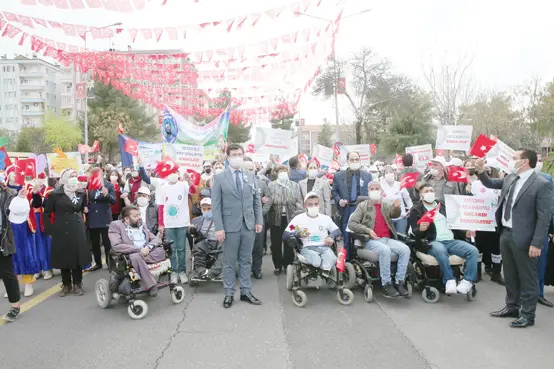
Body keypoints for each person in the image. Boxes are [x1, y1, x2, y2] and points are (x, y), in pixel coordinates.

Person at [476, 149, 553, 327]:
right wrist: (480, 171)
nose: (511, 161)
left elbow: (544, 217)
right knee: (510, 275)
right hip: (506, 234)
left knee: (528, 278)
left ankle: (528, 314)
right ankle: (512, 306)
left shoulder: (541, 184)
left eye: (514, 158)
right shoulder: (511, 178)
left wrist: (537, 243)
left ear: (525, 162)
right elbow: (491, 183)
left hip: (526, 239)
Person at [212, 144, 263, 309]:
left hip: (248, 225)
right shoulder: (220, 178)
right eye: (234, 154)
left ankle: (246, 292)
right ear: (228, 157)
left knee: (246, 260)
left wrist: (258, 221)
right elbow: (216, 206)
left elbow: (256, 201)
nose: (237, 157)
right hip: (229, 226)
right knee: (229, 261)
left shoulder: (250, 175)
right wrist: (219, 227)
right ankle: (229, 293)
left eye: (240, 154)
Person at [409, 183, 479, 296]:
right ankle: (449, 280)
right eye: (426, 191)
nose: (429, 193)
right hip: (433, 241)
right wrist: (421, 229)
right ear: (421, 194)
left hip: (451, 240)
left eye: (431, 190)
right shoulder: (416, 210)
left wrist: (465, 233)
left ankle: (467, 281)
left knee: (473, 251)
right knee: (441, 251)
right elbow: (414, 231)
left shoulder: (442, 206)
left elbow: (454, 225)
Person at [348, 181, 411, 297]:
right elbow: (352, 224)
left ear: (381, 191)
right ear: (368, 191)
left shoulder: (386, 205)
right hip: (370, 240)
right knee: (385, 250)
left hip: (387, 238)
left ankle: (399, 281)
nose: (374, 190)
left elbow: (395, 214)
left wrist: (396, 207)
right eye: (372, 188)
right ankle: (386, 284)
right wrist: (367, 230)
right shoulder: (363, 206)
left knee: (405, 249)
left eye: (377, 188)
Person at [44, 169, 91, 297]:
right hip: (61, 228)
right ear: (64, 178)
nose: (74, 178)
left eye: (75, 176)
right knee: (64, 255)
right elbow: (47, 212)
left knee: (77, 256)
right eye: (71, 176)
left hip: (76, 227)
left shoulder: (80, 192)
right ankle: (66, 284)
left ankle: (77, 283)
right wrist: (50, 229)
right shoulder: (55, 194)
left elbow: (82, 208)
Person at [463, 160, 505, 285]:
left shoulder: (498, 184)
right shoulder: (475, 184)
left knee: (496, 249)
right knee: (478, 248)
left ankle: (496, 273)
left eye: (488, 168)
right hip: (479, 222)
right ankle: (477, 273)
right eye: (484, 168)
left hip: (494, 221)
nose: (486, 170)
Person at [108, 206, 165, 296]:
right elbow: (116, 246)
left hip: (146, 251)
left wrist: (148, 247)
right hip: (131, 254)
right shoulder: (116, 226)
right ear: (126, 219)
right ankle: (152, 284)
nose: (139, 217)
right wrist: (139, 250)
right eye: (135, 216)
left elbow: (156, 239)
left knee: (161, 250)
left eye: (139, 215)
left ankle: (142, 264)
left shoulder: (142, 225)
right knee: (136, 257)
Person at [282, 192, 341, 272]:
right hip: (308, 248)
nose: (313, 206)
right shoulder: (298, 219)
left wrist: (331, 236)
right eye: (310, 204)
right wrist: (298, 234)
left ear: (319, 205)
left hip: (324, 247)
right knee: (316, 262)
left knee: (330, 261)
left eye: (316, 204)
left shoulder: (325, 219)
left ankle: (327, 273)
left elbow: (337, 230)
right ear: (305, 205)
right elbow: (285, 234)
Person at [263, 165, 303, 275]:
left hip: (290, 219)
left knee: (289, 242)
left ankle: (288, 265)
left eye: (285, 171)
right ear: (276, 173)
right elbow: (268, 200)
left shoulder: (294, 185)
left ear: (288, 173)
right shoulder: (271, 185)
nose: (283, 172)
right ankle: (277, 265)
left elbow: (299, 201)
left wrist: (298, 214)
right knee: (276, 243)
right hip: (276, 218)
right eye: (280, 171)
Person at [5, 166, 38, 297]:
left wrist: (35, 194)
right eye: (12, 174)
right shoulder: (4, 190)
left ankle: (28, 283)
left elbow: (35, 204)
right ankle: (13, 285)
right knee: (10, 256)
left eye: (16, 173)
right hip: (8, 227)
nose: (14, 176)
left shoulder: (26, 188)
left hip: (24, 227)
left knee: (26, 254)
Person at [332, 151, 372, 256]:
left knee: (361, 236)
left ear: (360, 160)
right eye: (352, 160)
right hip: (347, 209)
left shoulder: (367, 176)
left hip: (363, 210)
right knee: (347, 236)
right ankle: (347, 261)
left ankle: (361, 259)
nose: (354, 161)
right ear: (347, 161)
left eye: (356, 159)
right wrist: (338, 200)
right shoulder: (339, 176)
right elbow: (334, 191)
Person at [158, 166, 193, 285]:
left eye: (175, 171)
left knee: (181, 248)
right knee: (171, 249)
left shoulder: (183, 185)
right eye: (170, 172)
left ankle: (182, 271)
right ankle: (174, 272)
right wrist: (161, 223)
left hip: (182, 222)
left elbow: (192, 191)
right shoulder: (163, 187)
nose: (173, 174)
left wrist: (190, 182)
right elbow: (161, 206)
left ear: (178, 173)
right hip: (169, 224)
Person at [1, 180, 26, 322]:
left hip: (2, 239)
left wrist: (21, 198)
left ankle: (15, 306)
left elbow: (17, 208)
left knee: (7, 274)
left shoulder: (8, 194)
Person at [86, 168, 116, 271]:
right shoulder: (90, 185)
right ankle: (98, 262)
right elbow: (87, 199)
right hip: (92, 216)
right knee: (95, 243)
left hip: (104, 217)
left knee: (107, 242)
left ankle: (110, 263)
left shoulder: (108, 185)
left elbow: (114, 201)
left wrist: (107, 195)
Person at [534, 153, 554, 307]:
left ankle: (539, 294)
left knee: (541, 265)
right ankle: (521, 296)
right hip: (524, 232)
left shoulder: (546, 179)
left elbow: (550, 211)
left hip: (543, 233)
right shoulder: (515, 179)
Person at [189, 197, 223, 280]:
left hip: (220, 241)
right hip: (207, 242)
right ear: (201, 209)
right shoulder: (196, 220)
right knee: (197, 248)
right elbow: (192, 235)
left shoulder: (221, 218)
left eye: (209, 208)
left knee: (226, 250)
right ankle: (202, 271)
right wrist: (193, 231)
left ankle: (212, 273)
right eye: (204, 209)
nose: (206, 211)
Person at [244, 157, 266, 279]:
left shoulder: (261, 183)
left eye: (252, 169)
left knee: (258, 247)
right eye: (247, 169)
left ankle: (256, 269)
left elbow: (267, 198)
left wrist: (262, 212)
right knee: (244, 249)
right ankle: (244, 270)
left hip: (257, 220)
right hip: (243, 222)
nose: (250, 171)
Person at [30, 173, 54, 281]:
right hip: (33, 218)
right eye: (38, 178)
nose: (40, 180)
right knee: (35, 244)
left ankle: (48, 268)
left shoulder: (49, 190)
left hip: (43, 218)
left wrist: (39, 194)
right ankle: (38, 268)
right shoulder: (29, 189)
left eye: (42, 178)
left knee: (45, 244)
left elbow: (49, 204)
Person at [380, 165, 413, 234]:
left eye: (391, 172)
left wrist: (411, 209)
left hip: (401, 217)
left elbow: (407, 198)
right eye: (387, 173)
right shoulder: (381, 187)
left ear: (394, 174)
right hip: (388, 218)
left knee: (401, 237)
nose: (389, 174)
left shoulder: (400, 185)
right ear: (383, 175)